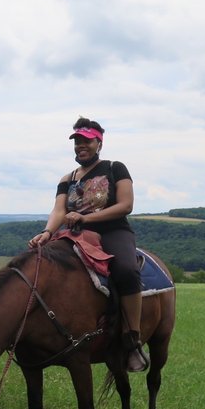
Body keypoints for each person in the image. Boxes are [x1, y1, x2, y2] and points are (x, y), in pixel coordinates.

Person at [28, 116, 149, 372]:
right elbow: (59, 210)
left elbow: (125, 205)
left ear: (99, 143)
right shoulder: (67, 178)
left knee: (127, 270)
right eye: (77, 141)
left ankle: (132, 339)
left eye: (87, 141)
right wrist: (47, 232)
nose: (81, 145)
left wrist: (86, 217)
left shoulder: (115, 168)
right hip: (74, 233)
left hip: (112, 231)